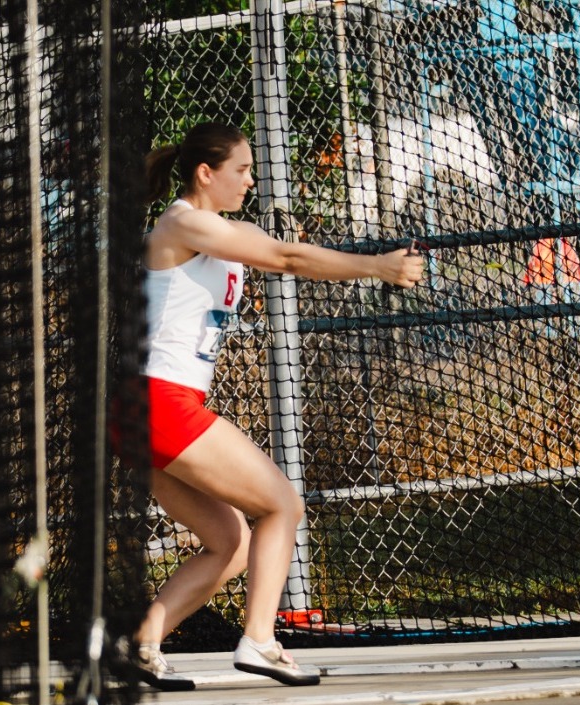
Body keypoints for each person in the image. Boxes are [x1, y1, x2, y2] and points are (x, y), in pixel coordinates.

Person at [123, 122, 424, 689]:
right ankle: (260, 641)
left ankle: (140, 645)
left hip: (149, 408)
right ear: (205, 173)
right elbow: (284, 259)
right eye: (241, 170)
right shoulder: (183, 222)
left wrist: (283, 240)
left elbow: (266, 249)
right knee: (281, 504)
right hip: (159, 401)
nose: (250, 180)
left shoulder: (213, 229)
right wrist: (378, 266)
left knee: (230, 544)